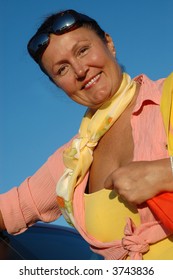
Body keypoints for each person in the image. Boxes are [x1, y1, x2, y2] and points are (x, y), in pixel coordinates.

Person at [0, 9, 173, 260]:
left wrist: (165, 172)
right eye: (62, 69)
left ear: (109, 43)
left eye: (82, 50)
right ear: (57, 85)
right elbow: (10, 210)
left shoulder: (167, 97)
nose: (80, 70)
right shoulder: (72, 161)